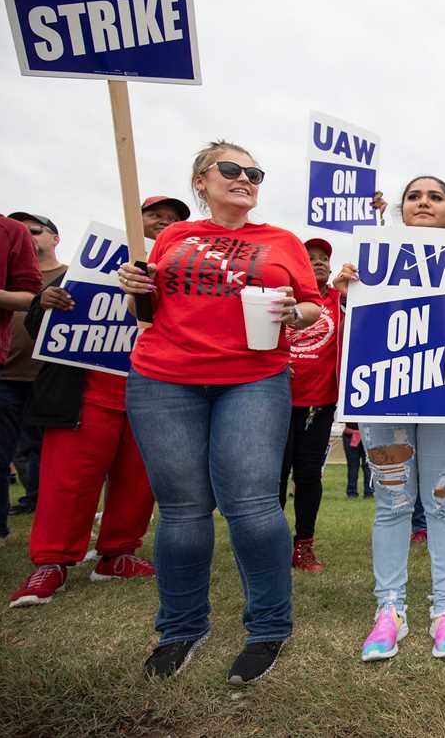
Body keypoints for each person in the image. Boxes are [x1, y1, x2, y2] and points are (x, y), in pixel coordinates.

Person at [120, 142, 323, 684]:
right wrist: (136, 287)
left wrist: (293, 312)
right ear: (201, 181)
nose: (245, 178)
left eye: (254, 172)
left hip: (253, 379)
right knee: (182, 511)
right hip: (165, 378)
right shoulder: (173, 237)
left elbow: (311, 306)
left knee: (254, 506)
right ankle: (181, 630)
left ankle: (268, 629)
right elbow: (150, 307)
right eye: (231, 169)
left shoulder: (281, 242)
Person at [7, 197, 188, 606]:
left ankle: (118, 554)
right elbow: (41, 327)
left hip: (151, 395)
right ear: (133, 220)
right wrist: (43, 304)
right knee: (68, 480)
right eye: (155, 216)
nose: (163, 222)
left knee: (139, 481)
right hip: (86, 394)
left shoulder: (183, 275)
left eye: (173, 219)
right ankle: (52, 562)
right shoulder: (86, 269)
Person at [351, 175, 445, 662]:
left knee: (442, 501)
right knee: (393, 503)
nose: (423, 202)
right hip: (385, 395)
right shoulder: (376, 254)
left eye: (434, 197)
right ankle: (389, 610)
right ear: (403, 207)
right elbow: (360, 326)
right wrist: (346, 288)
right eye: (414, 196)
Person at [0, 212, 64, 548]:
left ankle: (54, 522)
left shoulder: (69, 275)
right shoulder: (0, 272)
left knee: (52, 453)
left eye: (36, 230)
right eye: (24, 231)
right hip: (5, 373)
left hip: (47, 376)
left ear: (55, 238)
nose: (29, 236)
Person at [278, 237, 345, 574]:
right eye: (310, 257)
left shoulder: (340, 300)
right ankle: (271, 545)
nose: (318, 262)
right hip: (275, 400)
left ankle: (303, 545)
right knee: (275, 475)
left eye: (324, 258)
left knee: (308, 475)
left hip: (319, 404)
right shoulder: (281, 295)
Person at [343, 423, 373, 499]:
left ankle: (369, 492)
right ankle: (351, 492)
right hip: (350, 435)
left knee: (368, 466)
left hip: (369, 434)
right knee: (352, 466)